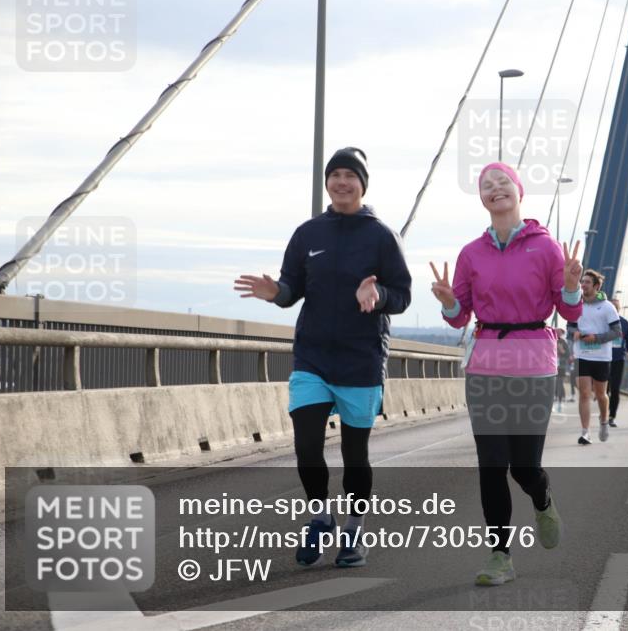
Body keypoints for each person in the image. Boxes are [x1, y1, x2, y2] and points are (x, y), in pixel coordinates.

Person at [234, 147, 411, 568]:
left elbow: (402, 295)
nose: (342, 182)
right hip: (312, 358)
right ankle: (319, 515)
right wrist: (275, 291)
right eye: (335, 175)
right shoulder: (307, 234)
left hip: (361, 360)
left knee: (355, 455)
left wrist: (378, 295)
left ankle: (352, 530)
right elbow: (291, 288)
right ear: (327, 182)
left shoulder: (382, 236)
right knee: (307, 446)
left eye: (351, 175)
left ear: (362, 184)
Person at [430, 161, 583, 585]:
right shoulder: (471, 254)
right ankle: (500, 555)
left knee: (523, 467)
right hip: (485, 368)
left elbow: (569, 309)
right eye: (486, 186)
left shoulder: (547, 248)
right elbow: (459, 319)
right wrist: (447, 300)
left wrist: (570, 284)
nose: (495, 189)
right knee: (492, 465)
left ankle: (542, 497)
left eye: (502, 183)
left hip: (534, 366)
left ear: (519, 191)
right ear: (482, 198)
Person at [567, 270, 622, 444]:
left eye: (587, 282)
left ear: (596, 286)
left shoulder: (607, 307)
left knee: (601, 394)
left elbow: (617, 332)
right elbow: (570, 328)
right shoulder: (576, 305)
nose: (583, 285)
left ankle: (604, 421)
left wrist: (596, 338)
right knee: (584, 394)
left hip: (601, 357)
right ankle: (585, 432)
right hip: (582, 355)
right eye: (582, 282)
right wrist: (574, 333)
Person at [607, 299, 628, 427]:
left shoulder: (624, 323)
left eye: (615, 307)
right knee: (604, 389)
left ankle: (612, 416)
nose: (613, 308)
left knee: (615, 389)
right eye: (611, 306)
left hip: (618, 359)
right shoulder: (602, 321)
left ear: (619, 308)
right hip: (603, 359)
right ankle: (604, 413)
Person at [555, 329, 570, 407]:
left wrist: (561, 350)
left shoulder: (563, 342)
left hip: (561, 366)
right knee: (555, 382)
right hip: (552, 365)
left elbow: (567, 354)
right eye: (557, 331)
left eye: (559, 332)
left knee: (560, 382)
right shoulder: (551, 339)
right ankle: (557, 396)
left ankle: (560, 398)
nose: (558, 333)